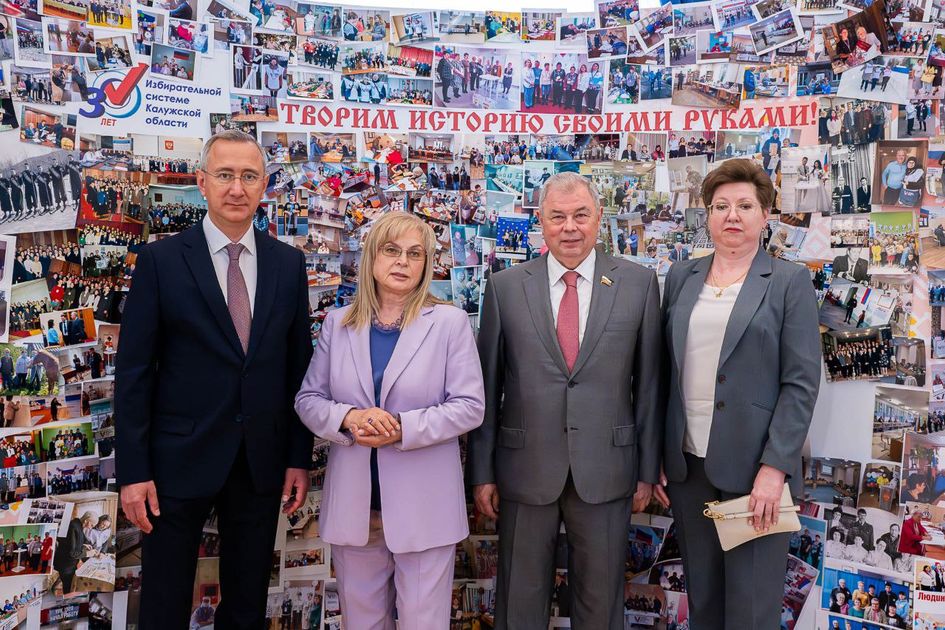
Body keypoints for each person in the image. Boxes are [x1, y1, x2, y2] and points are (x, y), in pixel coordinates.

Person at [115, 131, 315, 629]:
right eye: (225, 175)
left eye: (249, 176)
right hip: (174, 464)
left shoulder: (288, 264)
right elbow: (134, 374)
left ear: (264, 185)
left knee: (246, 607)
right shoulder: (161, 262)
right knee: (163, 604)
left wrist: (297, 457)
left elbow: (299, 370)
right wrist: (133, 472)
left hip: (259, 462)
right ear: (202, 182)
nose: (237, 188)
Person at [468, 172, 663, 629]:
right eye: (557, 216)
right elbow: (487, 386)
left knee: (600, 605)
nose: (569, 227)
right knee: (520, 603)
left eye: (580, 215)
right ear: (541, 221)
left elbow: (650, 387)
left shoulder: (638, 284)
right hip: (524, 470)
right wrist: (482, 473)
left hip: (608, 472)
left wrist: (646, 470)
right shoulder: (505, 287)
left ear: (599, 217)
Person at [294, 211, 485, 628]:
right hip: (355, 510)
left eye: (415, 254)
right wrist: (349, 417)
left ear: (427, 264)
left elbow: (470, 406)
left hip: (426, 509)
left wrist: (402, 428)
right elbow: (308, 400)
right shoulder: (338, 324)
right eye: (392, 250)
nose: (402, 261)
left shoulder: (449, 323)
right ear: (372, 258)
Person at [661, 158, 821, 628]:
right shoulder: (681, 277)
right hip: (688, 468)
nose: (732, 215)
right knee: (704, 602)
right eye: (721, 206)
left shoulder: (789, 281)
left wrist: (775, 468)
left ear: (765, 215)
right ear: (708, 214)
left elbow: (801, 383)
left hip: (756, 474)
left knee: (751, 610)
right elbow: (663, 371)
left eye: (745, 206)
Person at [53, 511, 95, 594]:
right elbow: (73, 553)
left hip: (69, 563)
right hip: (66, 564)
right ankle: (67, 598)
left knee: (70, 582)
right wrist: (87, 554)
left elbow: (74, 541)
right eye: (92, 525)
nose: (91, 528)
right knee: (68, 586)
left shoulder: (78, 524)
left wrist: (84, 544)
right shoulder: (73, 526)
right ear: (86, 521)